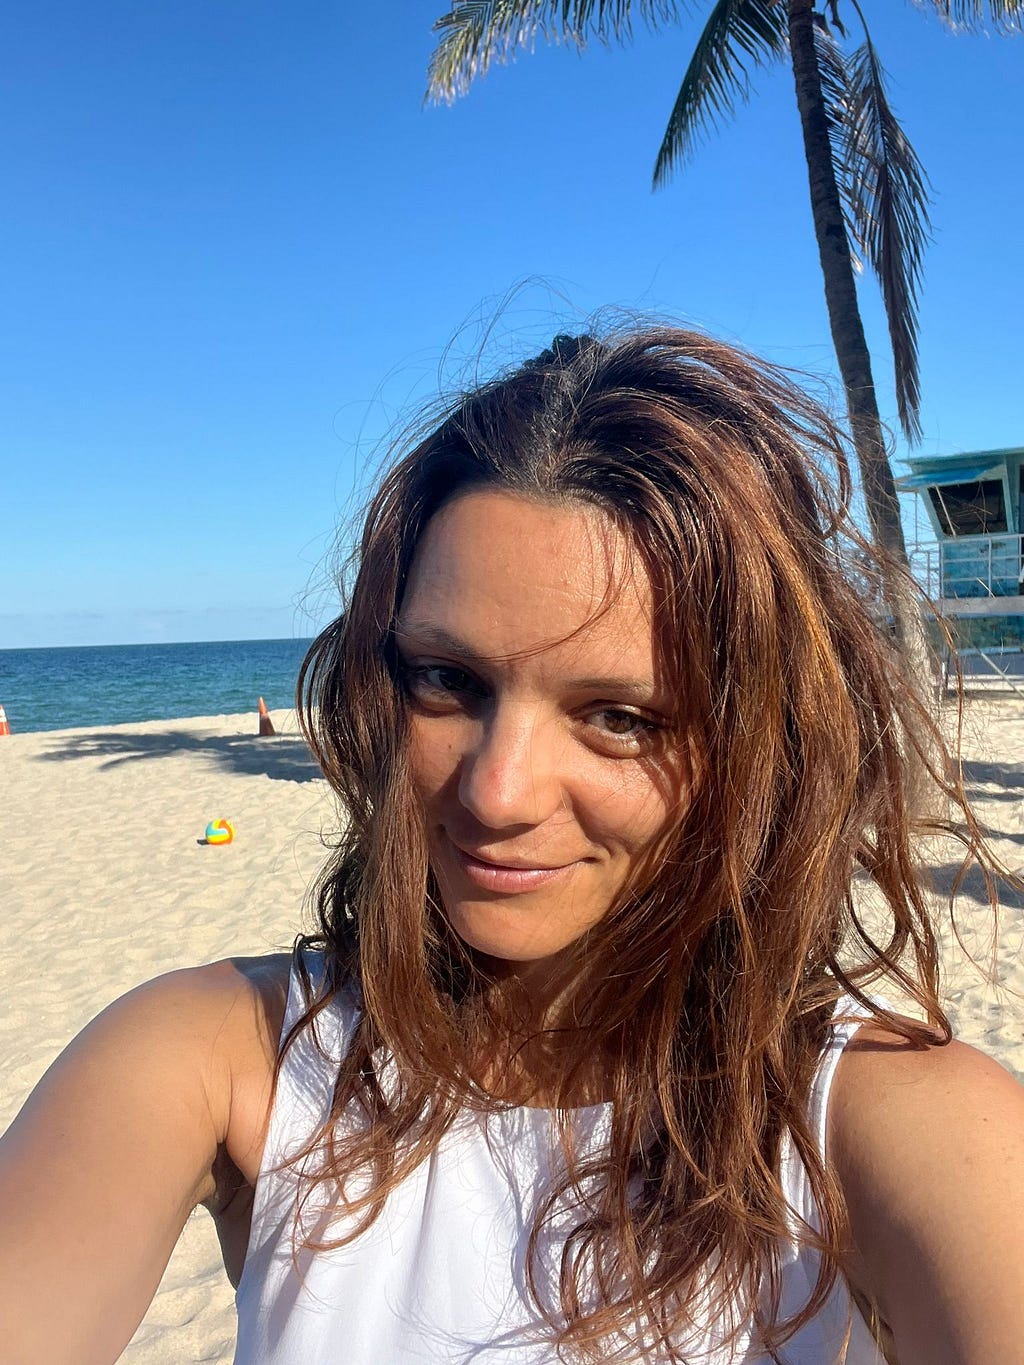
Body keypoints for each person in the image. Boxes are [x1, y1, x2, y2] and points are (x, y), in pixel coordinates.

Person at [2, 325, 1023, 1365]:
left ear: (760, 749)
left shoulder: (889, 1125)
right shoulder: (225, 1061)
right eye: (447, 680)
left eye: (621, 715)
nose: (496, 793)